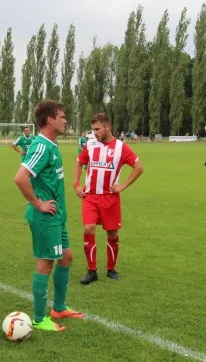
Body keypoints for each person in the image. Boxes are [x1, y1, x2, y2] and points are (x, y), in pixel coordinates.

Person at [13, 100, 84, 332]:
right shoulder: (42, 146)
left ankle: (59, 308)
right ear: (50, 120)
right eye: (62, 117)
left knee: (66, 258)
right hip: (45, 218)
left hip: (57, 217)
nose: (66, 120)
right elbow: (20, 178)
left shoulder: (52, 145)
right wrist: (38, 204)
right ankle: (39, 318)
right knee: (45, 265)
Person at [74, 113, 144, 284]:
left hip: (110, 199)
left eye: (97, 129)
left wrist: (122, 186)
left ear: (107, 127)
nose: (94, 133)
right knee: (88, 229)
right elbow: (79, 162)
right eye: (93, 129)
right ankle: (92, 271)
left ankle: (111, 270)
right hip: (90, 197)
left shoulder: (121, 147)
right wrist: (76, 184)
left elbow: (138, 167)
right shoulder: (90, 144)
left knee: (112, 234)